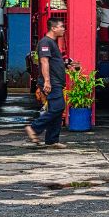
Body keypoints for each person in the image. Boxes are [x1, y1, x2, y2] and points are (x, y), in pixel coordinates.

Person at [25, 18, 71, 148]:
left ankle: (52, 140)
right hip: (52, 82)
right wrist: (47, 81)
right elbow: (44, 62)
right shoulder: (45, 42)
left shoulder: (52, 42)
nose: (63, 29)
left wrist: (66, 64)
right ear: (53, 28)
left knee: (56, 108)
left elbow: (53, 62)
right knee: (57, 107)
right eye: (61, 26)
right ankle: (34, 128)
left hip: (56, 82)